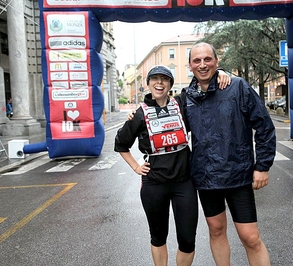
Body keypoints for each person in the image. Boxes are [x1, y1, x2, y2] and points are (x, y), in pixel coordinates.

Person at [114, 65, 231, 266]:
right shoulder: (140, 114)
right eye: (155, 79)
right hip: (154, 185)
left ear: (170, 84)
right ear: (148, 84)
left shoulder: (181, 103)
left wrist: (219, 72)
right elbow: (121, 144)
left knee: (187, 240)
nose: (159, 83)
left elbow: (200, 81)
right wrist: (135, 166)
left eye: (164, 79)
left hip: (184, 183)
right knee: (158, 237)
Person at [184, 42, 276, 266]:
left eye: (208, 59)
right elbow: (165, 121)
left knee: (250, 237)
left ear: (216, 62)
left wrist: (262, 167)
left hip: (238, 175)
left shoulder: (238, 87)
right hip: (206, 179)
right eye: (197, 60)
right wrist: (135, 119)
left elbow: (264, 126)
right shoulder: (186, 97)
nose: (203, 65)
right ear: (190, 65)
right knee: (216, 231)